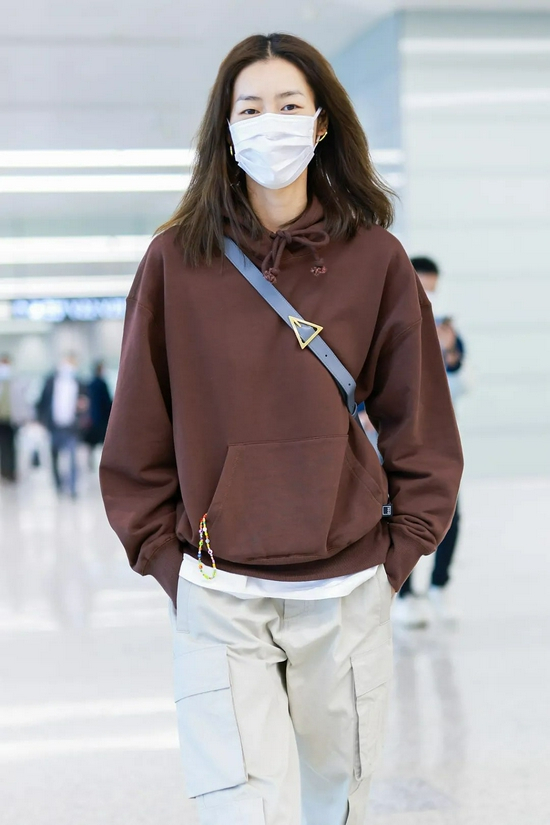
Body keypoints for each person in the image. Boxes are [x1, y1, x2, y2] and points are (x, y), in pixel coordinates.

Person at [100, 33, 463, 825]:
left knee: (335, 805)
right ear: (226, 130)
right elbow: (136, 434)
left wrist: (395, 558)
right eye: (251, 108)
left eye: (289, 105)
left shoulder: (377, 259)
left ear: (321, 123)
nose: (272, 123)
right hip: (219, 591)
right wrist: (169, 566)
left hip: (347, 588)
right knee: (242, 809)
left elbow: (422, 426)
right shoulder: (173, 262)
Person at [394, 256, 466, 629]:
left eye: (433, 288)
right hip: (396, 437)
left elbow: (460, 380)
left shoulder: (446, 330)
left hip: (438, 435)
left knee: (451, 512)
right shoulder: (389, 324)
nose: (428, 296)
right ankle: (403, 593)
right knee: (399, 513)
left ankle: (439, 586)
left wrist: (449, 349)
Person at [37, 353, 85, 498]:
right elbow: (42, 402)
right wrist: (42, 421)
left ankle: (72, 487)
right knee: (54, 456)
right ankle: (58, 485)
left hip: (72, 427)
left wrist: (82, 411)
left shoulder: (79, 383)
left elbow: (85, 404)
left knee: (72, 457)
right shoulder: (50, 382)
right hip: (54, 426)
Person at [0, 354, 29, 482]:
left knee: (11, 447)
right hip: (1, 420)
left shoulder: (16, 381)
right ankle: (3, 472)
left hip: (11, 420)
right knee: (3, 447)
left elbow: (22, 402)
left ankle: (11, 472)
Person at [83, 360, 112, 467]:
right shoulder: (102, 384)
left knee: (92, 445)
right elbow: (106, 402)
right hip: (102, 419)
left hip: (93, 418)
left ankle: (92, 464)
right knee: (103, 443)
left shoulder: (90, 384)